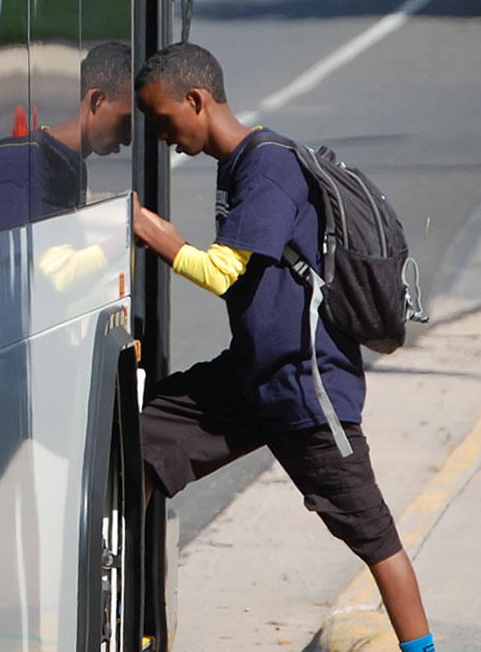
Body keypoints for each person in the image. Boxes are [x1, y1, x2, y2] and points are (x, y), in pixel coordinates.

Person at [130, 42, 435, 652]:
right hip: (250, 380)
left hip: (306, 386)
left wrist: (146, 229)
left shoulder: (268, 166)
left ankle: (422, 649)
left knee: (373, 536)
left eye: (163, 120)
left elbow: (222, 272)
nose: (161, 136)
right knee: (138, 439)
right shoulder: (235, 165)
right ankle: (135, 623)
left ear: (197, 100)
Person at [0, 40, 133, 229]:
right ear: (96, 100)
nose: (129, 137)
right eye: (126, 120)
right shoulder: (20, 158)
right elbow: (16, 253)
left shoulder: (75, 167)